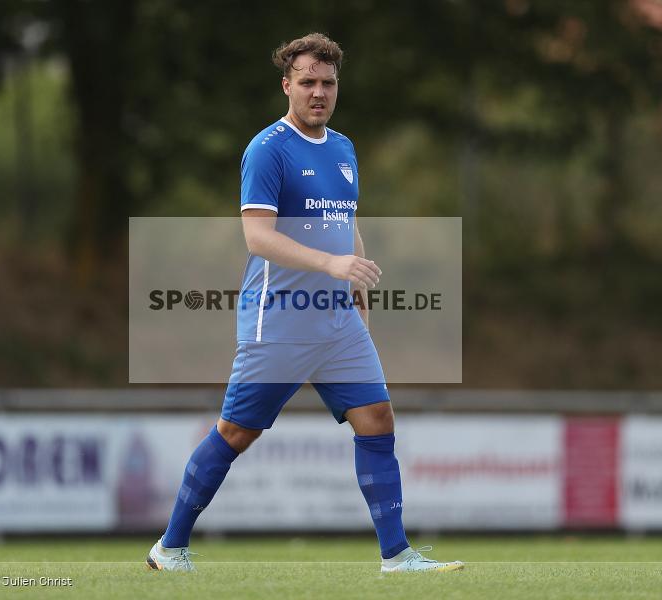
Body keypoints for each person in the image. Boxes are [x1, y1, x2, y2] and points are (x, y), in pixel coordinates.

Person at [146, 32, 463, 574]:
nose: (319, 92)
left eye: (328, 83)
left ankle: (397, 556)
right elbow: (258, 239)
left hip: (338, 322)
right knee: (235, 433)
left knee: (377, 418)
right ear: (287, 85)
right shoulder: (267, 148)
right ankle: (169, 548)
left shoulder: (343, 149)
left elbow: (347, 226)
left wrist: (357, 288)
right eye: (308, 82)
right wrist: (331, 267)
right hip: (280, 321)